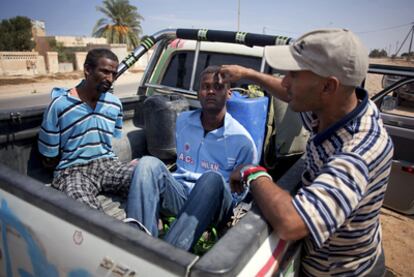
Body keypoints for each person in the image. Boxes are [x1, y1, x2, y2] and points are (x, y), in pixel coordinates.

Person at [221, 29, 393, 276]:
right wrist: (247, 74)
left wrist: (252, 172)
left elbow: (292, 223)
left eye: (293, 74)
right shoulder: (332, 109)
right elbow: (286, 91)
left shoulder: (357, 153)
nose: (285, 81)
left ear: (327, 87)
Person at [126, 65, 258, 250]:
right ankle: (137, 244)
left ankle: (167, 257)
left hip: (216, 206)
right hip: (180, 194)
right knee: (147, 163)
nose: (211, 91)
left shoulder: (242, 141)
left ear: (229, 93)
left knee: (212, 178)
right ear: (198, 93)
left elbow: (239, 195)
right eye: (205, 87)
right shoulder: (182, 121)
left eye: (218, 87)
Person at [38, 48, 137, 210]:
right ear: (87, 70)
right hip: (72, 170)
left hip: (108, 164)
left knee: (145, 179)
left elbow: (110, 141)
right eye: (105, 72)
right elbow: (49, 157)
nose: (110, 79)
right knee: (87, 211)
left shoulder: (115, 104)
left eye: (113, 74)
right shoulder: (60, 106)